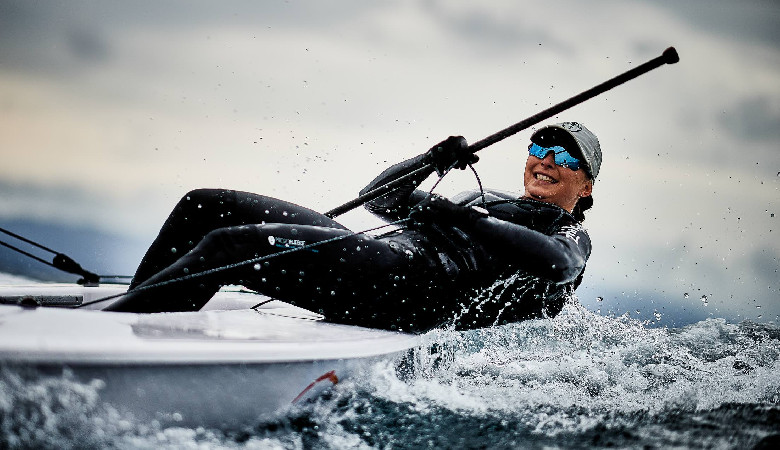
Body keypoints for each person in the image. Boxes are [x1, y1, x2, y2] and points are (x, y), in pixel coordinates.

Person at [106, 121, 601, 333]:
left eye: (563, 156)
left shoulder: (571, 233)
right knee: (207, 205)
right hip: (377, 254)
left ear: (586, 189)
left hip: (410, 289)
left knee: (229, 246)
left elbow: (557, 265)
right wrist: (430, 160)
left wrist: (451, 214)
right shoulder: (484, 198)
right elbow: (382, 199)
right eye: (539, 149)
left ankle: (112, 335)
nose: (545, 159)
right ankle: (142, 306)